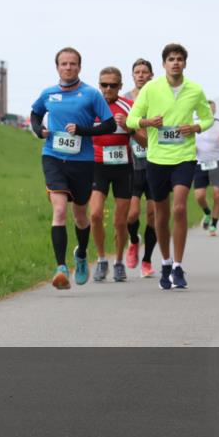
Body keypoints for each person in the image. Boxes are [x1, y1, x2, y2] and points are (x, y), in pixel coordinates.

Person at [126, 43, 213, 290]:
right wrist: (147, 121)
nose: (175, 63)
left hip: (184, 157)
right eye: (171, 59)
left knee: (179, 208)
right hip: (157, 160)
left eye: (179, 59)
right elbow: (132, 119)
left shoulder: (195, 90)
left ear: (185, 63)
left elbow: (206, 118)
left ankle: (178, 265)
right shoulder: (152, 88)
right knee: (161, 215)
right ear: (164, 64)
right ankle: (164, 262)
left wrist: (195, 127)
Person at [30, 47, 115, 289]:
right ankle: (60, 268)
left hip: (83, 161)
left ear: (79, 67)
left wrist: (83, 130)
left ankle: (80, 256)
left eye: (73, 64)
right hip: (53, 156)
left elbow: (108, 125)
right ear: (57, 67)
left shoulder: (90, 94)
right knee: (58, 211)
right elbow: (35, 114)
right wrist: (39, 131)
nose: (68, 68)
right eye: (64, 64)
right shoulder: (48, 93)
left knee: (79, 215)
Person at [89, 67, 134, 282]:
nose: (108, 89)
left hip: (123, 167)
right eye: (104, 84)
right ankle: (101, 259)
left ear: (120, 87)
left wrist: (129, 127)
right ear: (99, 85)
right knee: (95, 214)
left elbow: (144, 140)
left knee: (120, 221)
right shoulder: (90, 106)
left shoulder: (129, 106)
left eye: (113, 85)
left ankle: (118, 262)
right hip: (97, 165)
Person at [125, 59, 157, 278]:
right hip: (132, 163)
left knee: (153, 215)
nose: (141, 75)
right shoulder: (126, 99)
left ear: (151, 75)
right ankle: (134, 241)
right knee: (132, 214)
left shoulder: (157, 97)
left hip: (155, 163)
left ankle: (146, 261)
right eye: (137, 72)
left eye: (145, 72)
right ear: (133, 76)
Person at [193, 101, 219, 236]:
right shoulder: (195, 125)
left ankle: (213, 226)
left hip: (217, 162)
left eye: (212, 110)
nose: (209, 112)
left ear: (214, 111)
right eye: (206, 110)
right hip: (200, 163)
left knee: (217, 194)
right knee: (199, 196)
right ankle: (207, 213)